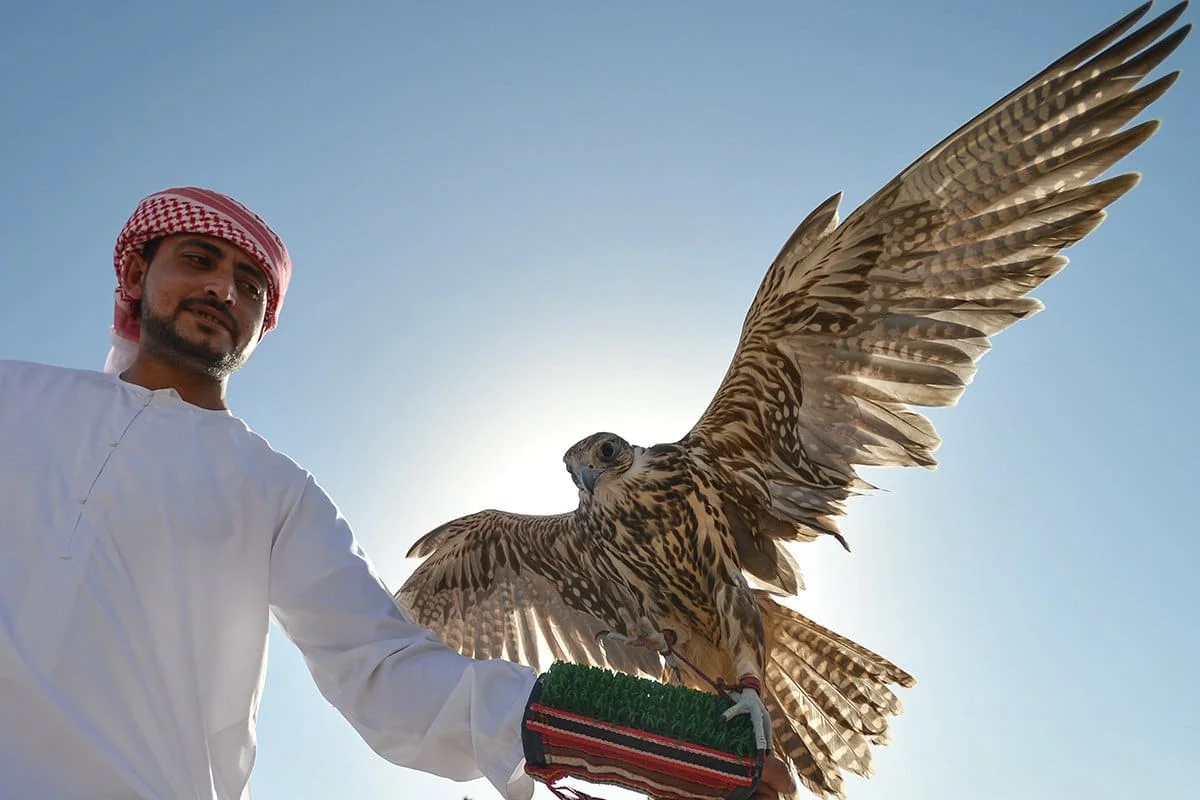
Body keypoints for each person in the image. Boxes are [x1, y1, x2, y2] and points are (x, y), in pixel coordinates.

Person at [0, 187, 796, 800]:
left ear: (262, 322)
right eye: (199, 259)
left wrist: (669, 744)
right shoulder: (15, 399)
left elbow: (393, 680)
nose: (223, 290)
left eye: (249, 283)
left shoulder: (276, 492)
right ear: (139, 271)